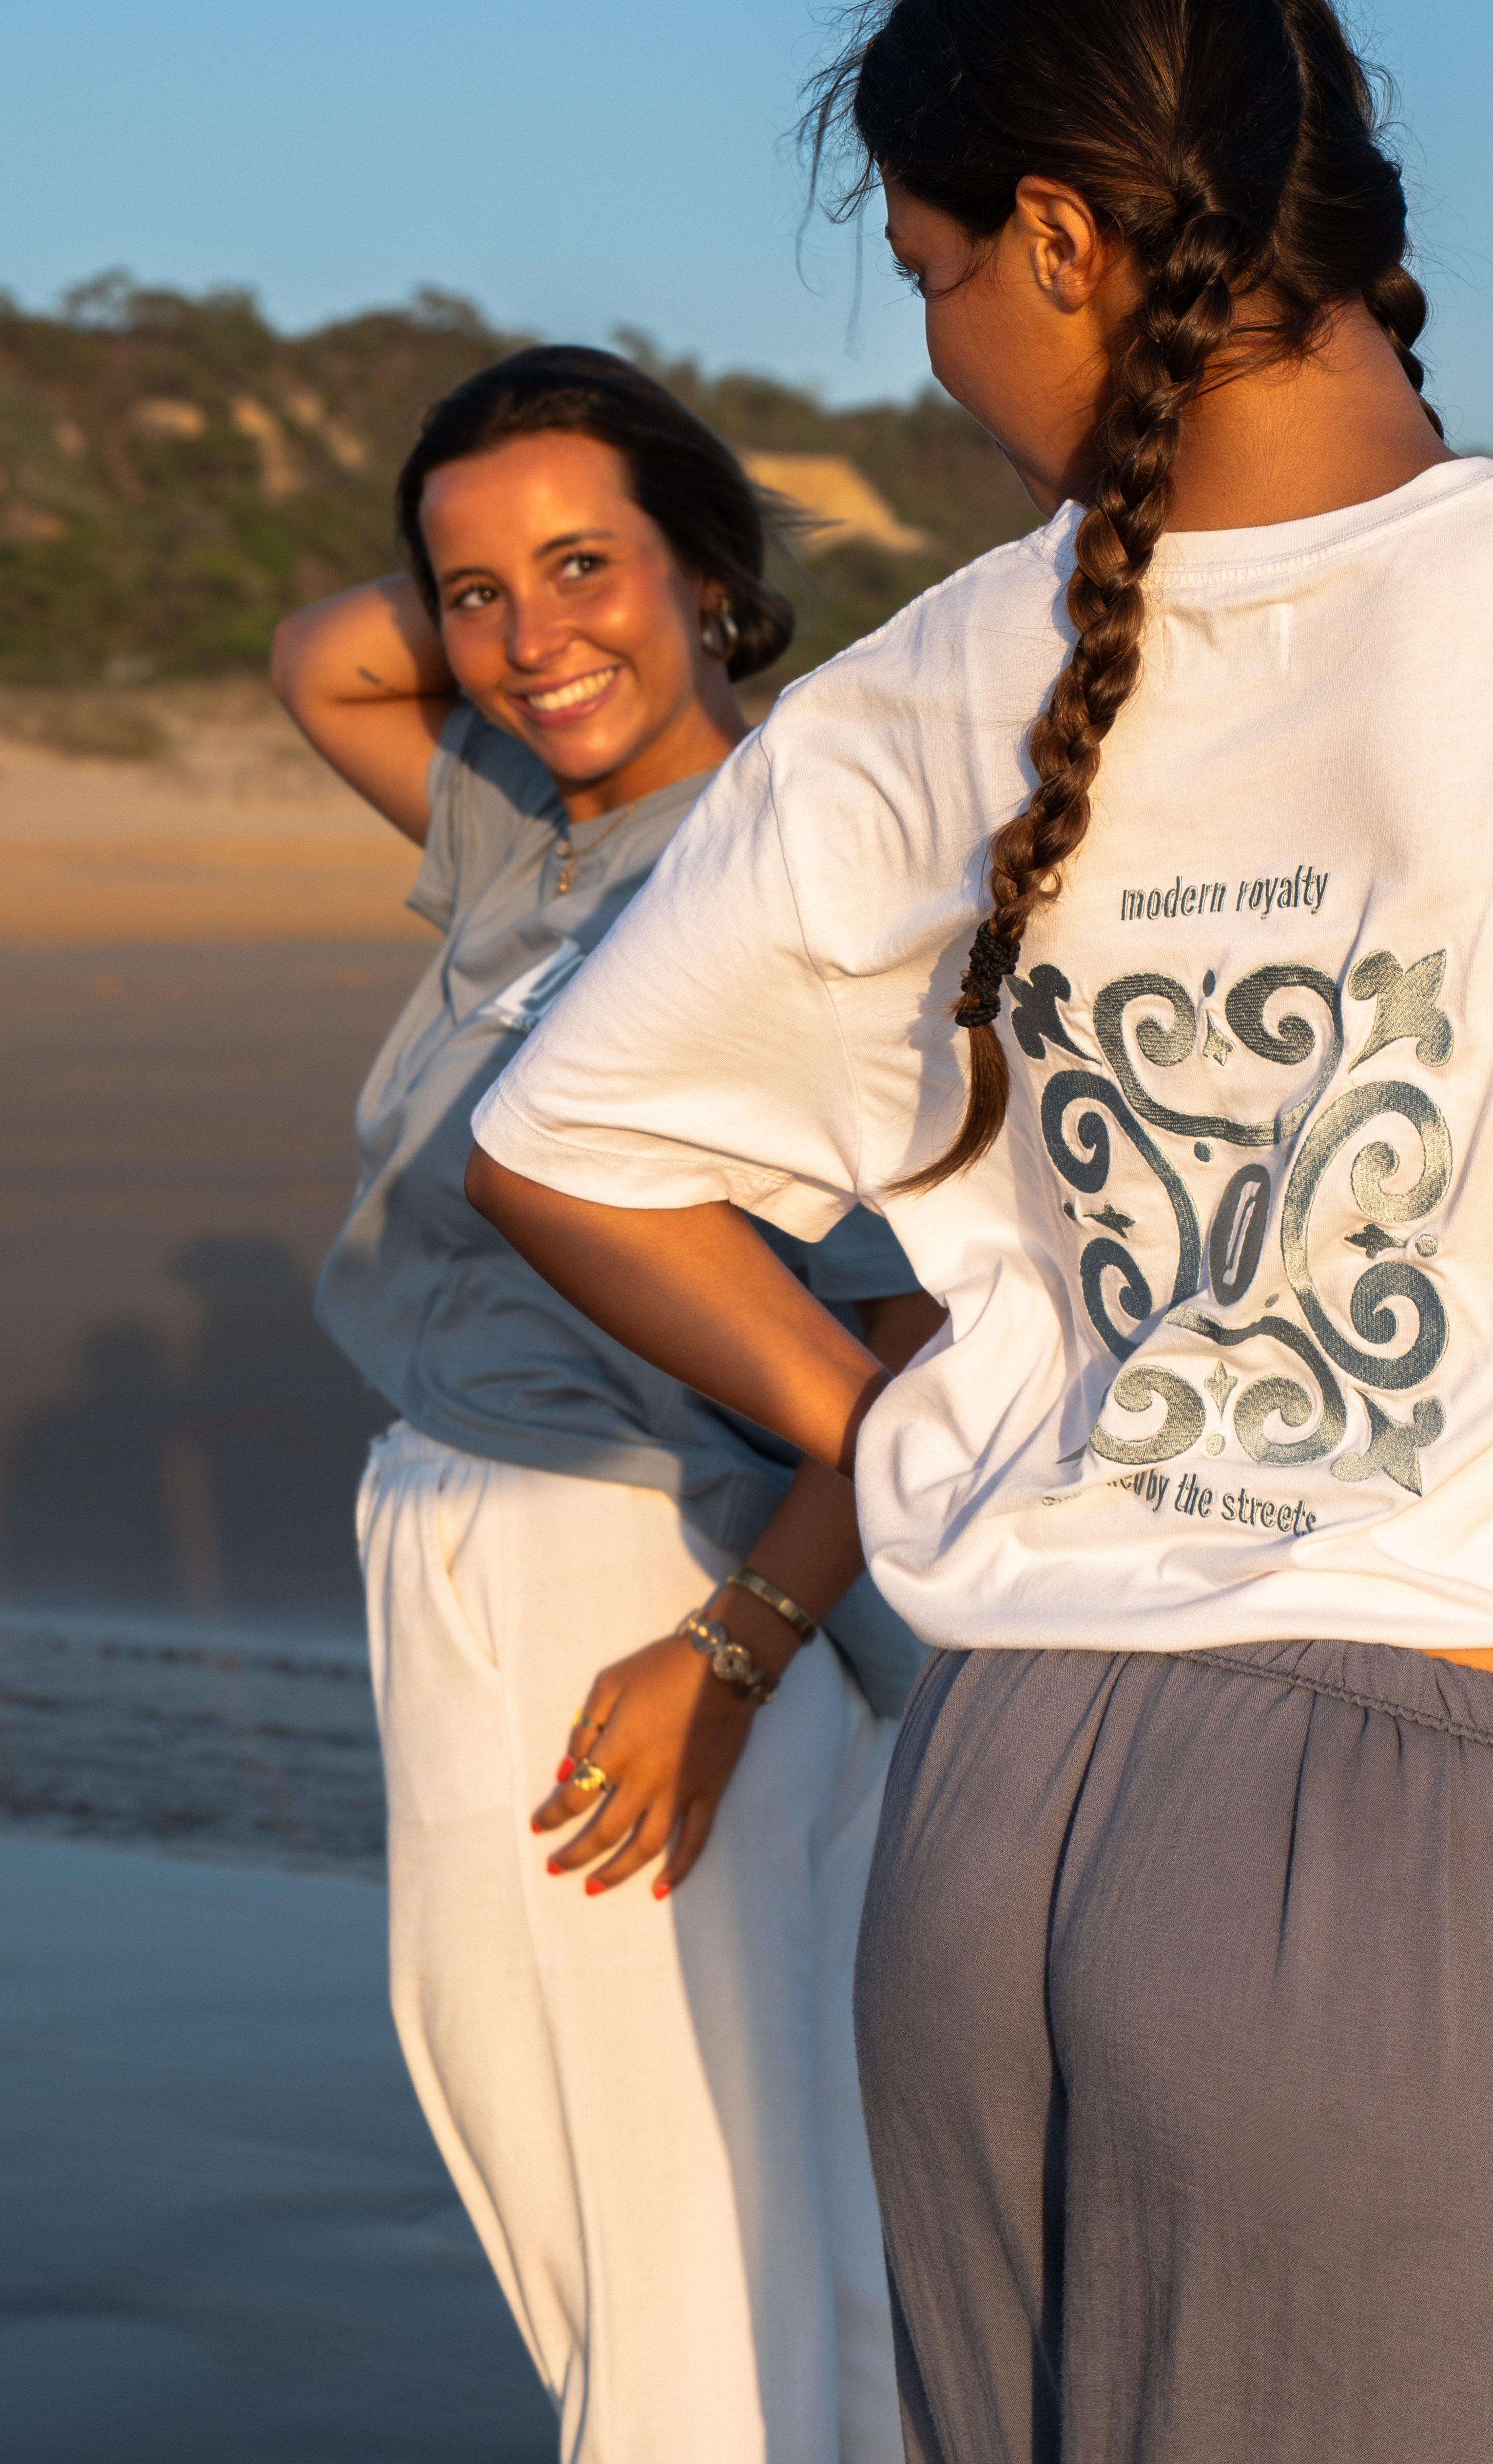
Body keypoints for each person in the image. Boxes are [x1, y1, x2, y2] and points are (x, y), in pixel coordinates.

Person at [461, 6, 1493, 2459]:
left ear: (1063, 240)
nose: (946, 351)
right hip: (1428, 1849)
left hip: (995, 1809)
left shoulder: (917, 689)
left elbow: (565, 1153)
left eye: (939, 273)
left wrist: (918, 1435)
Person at [270, 345, 934, 2464]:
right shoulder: (532, 830)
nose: (527, 634)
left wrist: (731, 1653)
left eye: (589, 567)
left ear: (714, 570)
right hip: (464, 1546)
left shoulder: (804, 871)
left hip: (650, 1580)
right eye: (475, 594)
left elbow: (924, 1343)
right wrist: (530, 613)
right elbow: (324, 663)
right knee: (618, 2207)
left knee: (686, 2248)